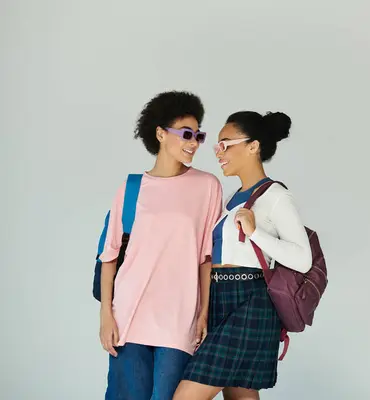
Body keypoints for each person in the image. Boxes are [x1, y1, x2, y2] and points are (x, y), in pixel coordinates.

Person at [173, 111, 312, 400]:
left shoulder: (275, 196)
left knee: (186, 396)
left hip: (251, 300)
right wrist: (203, 310)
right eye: (218, 145)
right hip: (220, 298)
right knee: (240, 396)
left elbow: (302, 259)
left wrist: (255, 233)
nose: (218, 152)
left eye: (226, 144)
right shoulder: (230, 199)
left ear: (253, 146)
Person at [98, 91, 223, 400]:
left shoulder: (207, 186)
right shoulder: (131, 188)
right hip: (129, 315)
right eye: (186, 134)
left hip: (179, 318)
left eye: (198, 135)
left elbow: (206, 258)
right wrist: (106, 316)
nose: (194, 142)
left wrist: (204, 313)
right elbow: (110, 256)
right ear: (159, 134)